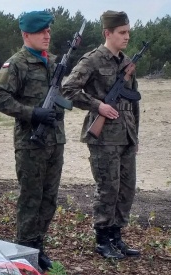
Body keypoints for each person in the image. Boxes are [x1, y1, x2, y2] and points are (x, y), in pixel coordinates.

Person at [0, 10, 66, 271]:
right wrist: (33, 113)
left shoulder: (54, 63)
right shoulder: (17, 64)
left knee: (49, 198)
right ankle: (24, 251)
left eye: (48, 31)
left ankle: (38, 247)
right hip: (31, 143)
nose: (47, 35)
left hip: (55, 141)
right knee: (31, 198)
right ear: (26, 35)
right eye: (41, 31)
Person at [62, 10, 141, 259]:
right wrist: (97, 105)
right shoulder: (92, 60)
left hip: (126, 135)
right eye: (122, 32)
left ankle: (117, 237)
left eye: (128, 32)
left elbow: (134, 101)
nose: (127, 37)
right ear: (108, 33)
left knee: (126, 189)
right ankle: (102, 239)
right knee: (108, 188)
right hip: (104, 136)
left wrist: (135, 136)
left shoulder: (126, 62)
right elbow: (68, 89)